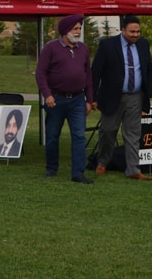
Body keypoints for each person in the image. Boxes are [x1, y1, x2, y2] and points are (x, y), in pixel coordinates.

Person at [92, 15, 152, 180]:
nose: (136, 35)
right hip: (112, 97)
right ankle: (102, 162)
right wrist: (92, 97)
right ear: (123, 30)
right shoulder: (107, 45)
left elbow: (149, 69)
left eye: (138, 31)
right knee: (108, 131)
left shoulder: (143, 44)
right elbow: (96, 72)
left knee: (133, 134)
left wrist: (147, 95)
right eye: (132, 32)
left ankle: (133, 169)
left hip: (136, 97)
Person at [35, 14, 94, 183]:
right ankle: (51, 168)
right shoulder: (51, 48)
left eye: (80, 28)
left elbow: (88, 75)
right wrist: (47, 94)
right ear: (65, 30)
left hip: (77, 99)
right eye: (75, 29)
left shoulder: (83, 49)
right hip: (56, 99)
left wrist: (89, 100)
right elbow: (40, 73)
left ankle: (78, 173)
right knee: (53, 136)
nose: (78, 32)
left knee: (79, 136)